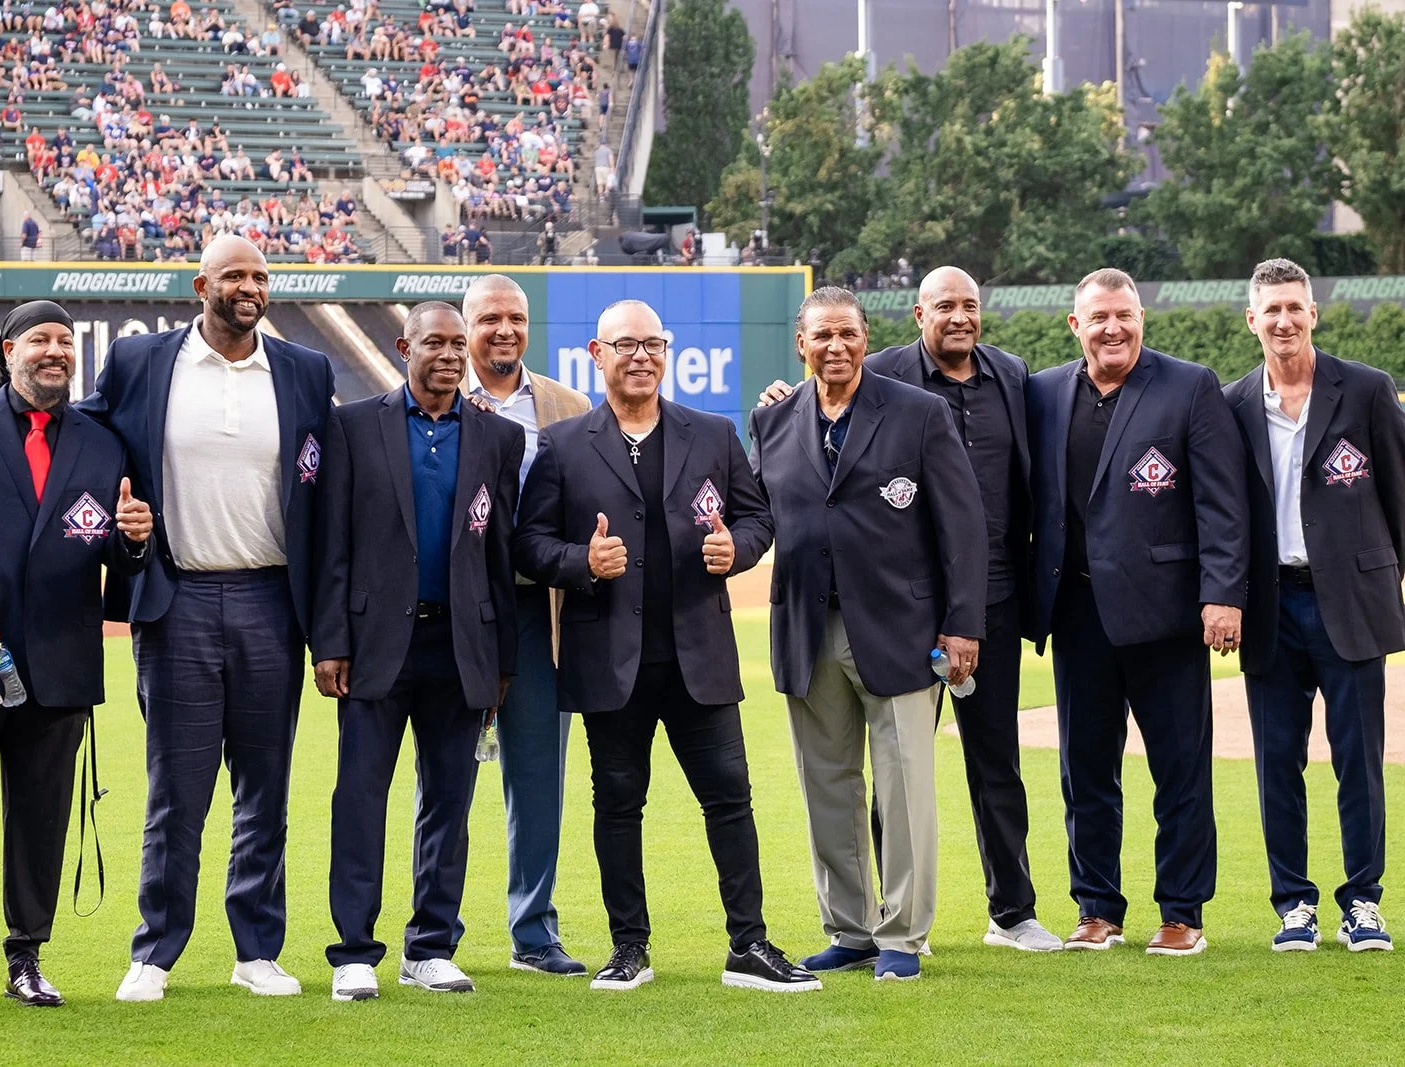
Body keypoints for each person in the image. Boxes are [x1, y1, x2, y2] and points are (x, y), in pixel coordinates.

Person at [0, 236, 336, 1001]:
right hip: (175, 596)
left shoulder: (306, 371)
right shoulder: (142, 360)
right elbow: (58, 421)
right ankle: (155, 950)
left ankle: (257, 947)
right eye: (233, 275)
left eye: (259, 275)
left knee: (266, 787)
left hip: (271, 598)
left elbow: (331, 476)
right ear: (201, 283)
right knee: (175, 789)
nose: (248, 287)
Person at [514, 299, 817, 993]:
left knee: (730, 799)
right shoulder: (563, 446)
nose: (642, 356)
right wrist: (580, 562)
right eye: (627, 345)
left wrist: (733, 549)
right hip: (607, 659)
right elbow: (529, 541)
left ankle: (750, 943)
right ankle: (630, 948)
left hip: (698, 656)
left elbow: (757, 518)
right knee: (618, 804)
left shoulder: (710, 433)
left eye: (653, 343)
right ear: (598, 354)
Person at [756, 267, 1056, 953]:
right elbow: (755, 517)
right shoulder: (771, 420)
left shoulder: (919, 411)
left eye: (849, 333)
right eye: (823, 334)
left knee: (905, 791)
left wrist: (962, 623)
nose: (837, 345)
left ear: (868, 339)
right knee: (829, 790)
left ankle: (902, 936)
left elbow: (963, 526)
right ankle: (851, 930)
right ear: (800, 342)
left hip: (900, 627)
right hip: (808, 627)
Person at [0, 302, 155, 1012]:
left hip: (60, 663)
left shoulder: (103, 444)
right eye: (40, 340)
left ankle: (27, 955)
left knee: (42, 816)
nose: (56, 351)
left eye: (65, 341)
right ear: (8, 350)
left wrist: (133, 539)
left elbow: (112, 551)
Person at [1026, 267, 1248, 956]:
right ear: (1075, 324)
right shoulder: (1042, 393)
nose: (1112, 328)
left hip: (1169, 613)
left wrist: (1223, 593)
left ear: (1141, 318)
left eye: (1124, 315)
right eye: (1099, 318)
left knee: (1180, 768)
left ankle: (1182, 911)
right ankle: (1097, 909)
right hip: (1077, 609)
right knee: (1085, 769)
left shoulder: (1190, 386)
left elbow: (1223, 502)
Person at [313, 302, 523, 1001]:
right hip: (376, 645)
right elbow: (334, 545)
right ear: (404, 346)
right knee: (361, 797)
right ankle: (353, 951)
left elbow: (499, 554)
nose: (449, 354)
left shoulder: (497, 438)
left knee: (449, 803)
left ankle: (430, 945)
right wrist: (332, 640)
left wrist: (502, 658)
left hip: (461, 646)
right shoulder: (353, 426)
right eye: (435, 341)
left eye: (458, 344)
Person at [1223, 258, 1405, 952]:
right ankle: (1293, 903)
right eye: (1270, 310)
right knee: (1278, 762)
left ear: (1313, 313)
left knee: (1358, 759)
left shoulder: (1364, 389)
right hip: (1271, 604)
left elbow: (1399, 494)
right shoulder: (1232, 402)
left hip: (1351, 602)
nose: (1283, 320)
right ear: (1251, 320)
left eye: (1294, 307)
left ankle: (1363, 900)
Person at [457, 275, 592, 975]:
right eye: (489, 319)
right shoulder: (437, 397)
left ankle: (533, 932)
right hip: (455, 614)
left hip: (540, 609)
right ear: (466, 324)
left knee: (538, 777)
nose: (504, 329)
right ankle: (433, 933)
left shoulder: (567, 406)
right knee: (444, 775)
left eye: (515, 317)